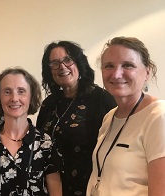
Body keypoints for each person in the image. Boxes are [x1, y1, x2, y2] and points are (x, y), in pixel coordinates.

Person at [87, 36, 165, 196]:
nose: (116, 74)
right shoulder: (109, 117)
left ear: (147, 72)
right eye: (109, 66)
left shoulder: (158, 116)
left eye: (128, 65)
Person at [37, 41, 116, 196]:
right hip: (52, 187)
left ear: (79, 63)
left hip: (89, 187)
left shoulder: (101, 99)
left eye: (67, 60)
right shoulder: (49, 104)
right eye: (54, 63)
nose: (62, 66)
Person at [0, 67, 62, 195]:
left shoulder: (46, 144)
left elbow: (56, 193)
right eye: (7, 92)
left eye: (21, 91)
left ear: (31, 96)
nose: (14, 98)